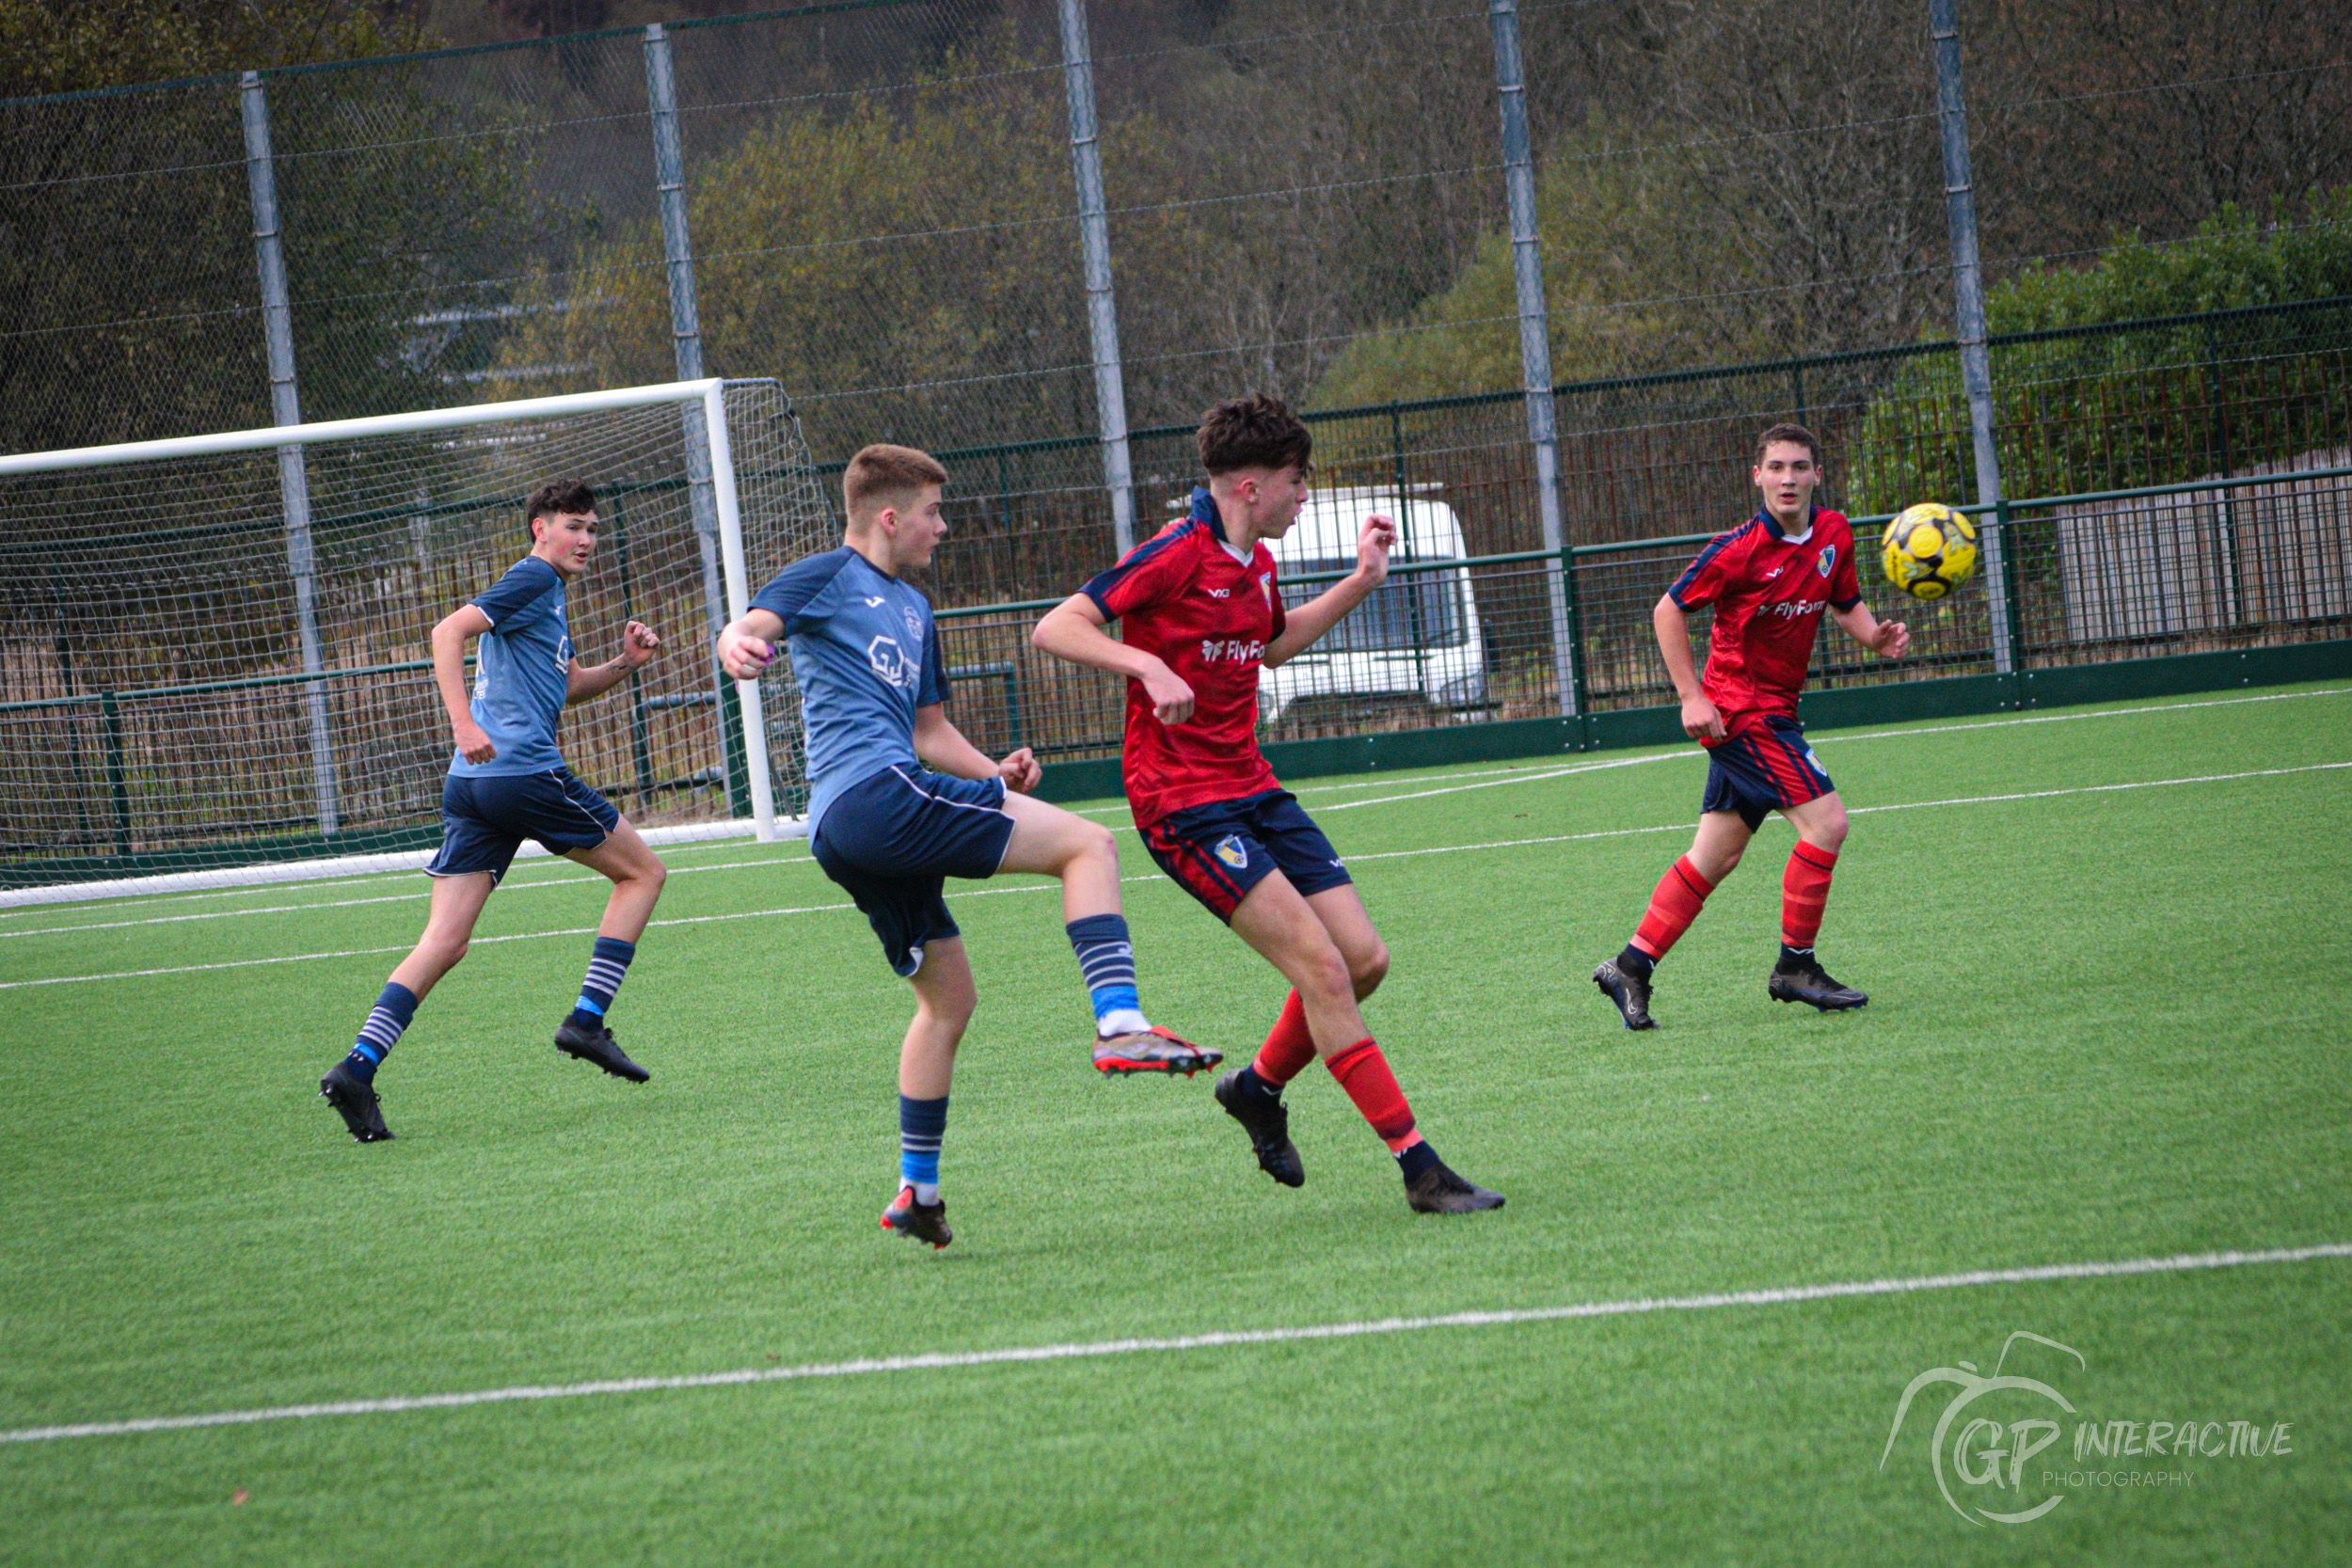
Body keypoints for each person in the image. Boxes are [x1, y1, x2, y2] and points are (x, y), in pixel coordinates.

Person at [716, 444, 1215, 1250]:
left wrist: (994, 773)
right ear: (890, 517)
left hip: (856, 826)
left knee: (949, 1002)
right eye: (933, 513)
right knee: (1089, 845)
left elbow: (929, 730)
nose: (942, 527)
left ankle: (918, 1190)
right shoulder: (827, 575)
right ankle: (1120, 1022)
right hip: (873, 799)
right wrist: (735, 644)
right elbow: (749, 626)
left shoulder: (915, 610)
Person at [1031, 394, 1503, 1215]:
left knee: (1364, 960)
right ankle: (1420, 1169)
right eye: (1296, 479)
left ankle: (1257, 1088)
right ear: (1250, 486)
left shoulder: (1257, 562)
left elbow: (1272, 645)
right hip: (1183, 805)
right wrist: (1146, 665)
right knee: (1322, 968)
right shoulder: (1175, 552)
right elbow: (1057, 627)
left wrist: (1361, 582)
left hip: (1251, 785)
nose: (1304, 494)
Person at [319, 478, 669, 1143]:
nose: (587, 539)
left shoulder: (547, 594)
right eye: (574, 526)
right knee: (644, 873)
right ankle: (587, 1020)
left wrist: (625, 663)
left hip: (471, 787)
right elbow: (447, 631)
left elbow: (567, 687)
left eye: (593, 529)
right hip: (520, 775)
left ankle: (357, 1068)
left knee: (444, 942)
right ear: (541, 528)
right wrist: (462, 723)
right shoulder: (533, 577)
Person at [1592, 422, 1911, 1030]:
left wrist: (1874, 636)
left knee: (1715, 855)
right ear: (1757, 476)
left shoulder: (1834, 533)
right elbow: (1668, 609)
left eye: (1799, 466)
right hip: (1741, 712)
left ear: (1817, 475)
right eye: (1777, 467)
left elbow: (1843, 600)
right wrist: (1691, 695)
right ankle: (1796, 966)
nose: (1788, 478)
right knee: (1827, 823)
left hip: (1776, 710)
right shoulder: (1737, 549)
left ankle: (1630, 966)